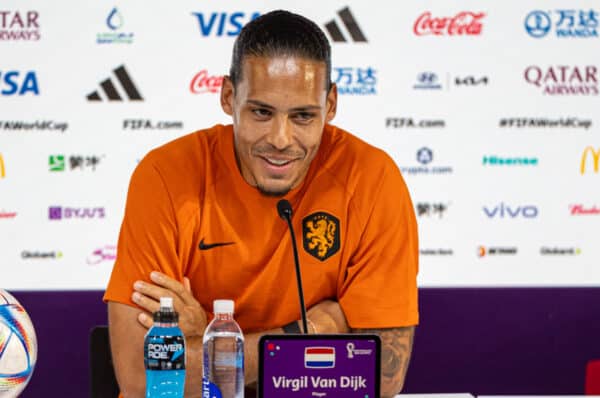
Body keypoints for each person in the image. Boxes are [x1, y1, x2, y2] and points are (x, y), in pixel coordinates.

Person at [104, 9, 418, 398]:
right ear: (228, 96)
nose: (281, 139)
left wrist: (208, 340)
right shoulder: (166, 175)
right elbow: (142, 379)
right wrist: (313, 329)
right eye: (261, 112)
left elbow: (382, 377)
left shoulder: (373, 179)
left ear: (331, 105)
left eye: (303, 116)